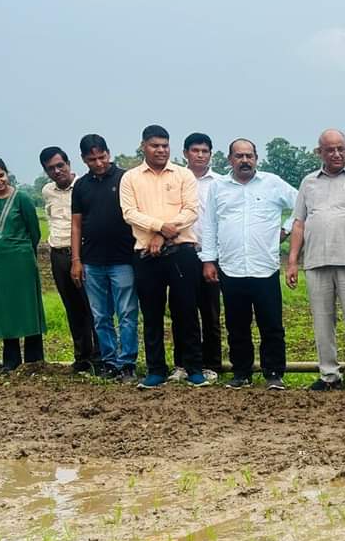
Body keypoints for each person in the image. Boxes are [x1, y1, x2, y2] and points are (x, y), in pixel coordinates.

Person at [287, 129, 345, 393]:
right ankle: (328, 374)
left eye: (341, 148)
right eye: (330, 150)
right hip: (316, 261)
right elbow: (299, 224)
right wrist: (292, 261)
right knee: (321, 320)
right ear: (320, 152)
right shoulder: (308, 183)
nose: (337, 154)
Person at [200, 139, 296, 389]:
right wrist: (209, 260)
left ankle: (274, 373)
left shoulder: (272, 183)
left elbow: (302, 205)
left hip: (265, 266)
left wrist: (285, 230)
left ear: (256, 158)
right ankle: (241, 373)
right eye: (239, 156)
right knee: (236, 325)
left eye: (249, 156)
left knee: (271, 324)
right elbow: (209, 225)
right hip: (231, 267)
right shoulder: (218, 187)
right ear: (230, 160)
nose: (245, 161)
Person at [119, 124, 205, 389]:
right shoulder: (131, 178)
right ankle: (156, 369)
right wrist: (158, 227)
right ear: (143, 146)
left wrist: (163, 234)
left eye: (165, 146)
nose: (161, 150)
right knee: (152, 313)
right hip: (146, 255)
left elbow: (191, 211)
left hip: (181, 252)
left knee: (186, 311)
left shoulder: (183, 175)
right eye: (155, 145)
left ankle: (192, 367)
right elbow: (129, 213)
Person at [71, 134, 138, 382]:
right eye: (92, 159)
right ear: (83, 159)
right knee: (100, 316)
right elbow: (76, 225)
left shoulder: (125, 179)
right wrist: (76, 260)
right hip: (92, 261)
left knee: (127, 313)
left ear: (109, 153)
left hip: (123, 259)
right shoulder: (81, 186)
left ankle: (128, 362)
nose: (98, 163)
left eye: (102, 157)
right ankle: (109, 361)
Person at [39, 146, 98, 373]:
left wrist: (78, 258)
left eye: (60, 165)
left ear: (69, 164)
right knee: (72, 308)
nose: (57, 171)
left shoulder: (84, 186)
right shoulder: (47, 191)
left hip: (82, 254)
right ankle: (81, 358)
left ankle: (100, 356)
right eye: (51, 168)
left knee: (92, 306)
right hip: (58, 254)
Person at [172, 132, 223, 382]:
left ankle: (212, 364)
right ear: (185, 153)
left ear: (210, 154)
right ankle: (182, 363)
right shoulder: (175, 180)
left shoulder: (221, 183)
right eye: (195, 150)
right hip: (182, 252)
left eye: (204, 151)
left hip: (212, 254)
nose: (200, 155)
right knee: (182, 311)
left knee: (211, 312)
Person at [0, 157, 45, 372]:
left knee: (27, 306)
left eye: (0, 175)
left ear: (7, 174)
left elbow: (34, 231)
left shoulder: (22, 198)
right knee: (5, 308)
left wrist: (23, 251)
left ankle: (34, 360)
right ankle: (11, 360)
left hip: (22, 259)